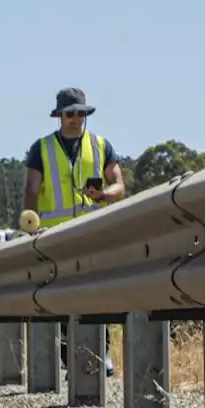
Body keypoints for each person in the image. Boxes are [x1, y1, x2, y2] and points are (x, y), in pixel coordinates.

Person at [22, 87, 126, 376]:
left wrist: (103, 195)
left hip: (92, 234)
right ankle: (71, 359)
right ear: (59, 116)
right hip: (56, 238)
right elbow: (31, 190)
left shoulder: (101, 145)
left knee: (97, 294)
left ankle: (100, 354)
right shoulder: (41, 149)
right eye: (70, 114)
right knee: (65, 297)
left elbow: (119, 185)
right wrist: (30, 225)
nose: (76, 119)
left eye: (81, 113)